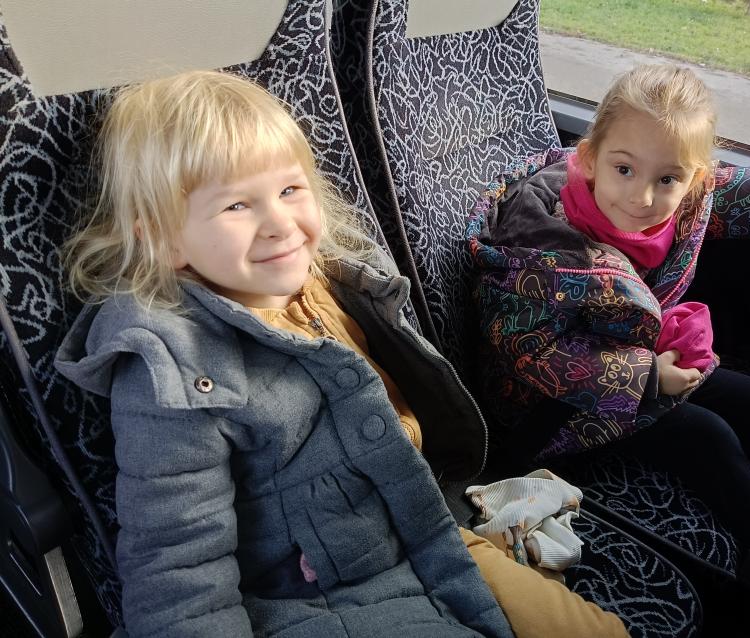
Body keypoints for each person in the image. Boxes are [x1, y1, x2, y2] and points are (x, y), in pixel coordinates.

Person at [54, 70, 628, 638]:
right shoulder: (172, 371)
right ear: (164, 239)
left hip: (425, 524)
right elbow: (178, 569)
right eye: (236, 206)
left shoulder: (340, 280)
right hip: (320, 595)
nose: (280, 224)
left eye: (289, 190)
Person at [467, 64, 750, 611]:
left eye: (667, 179)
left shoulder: (675, 195)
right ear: (589, 159)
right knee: (707, 436)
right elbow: (528, 352)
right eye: (624, 169)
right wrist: (647, 377)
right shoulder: (536, 253)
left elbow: (706, 197)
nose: (643, 197)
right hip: (548, 405)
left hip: (643, 357)